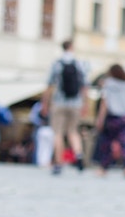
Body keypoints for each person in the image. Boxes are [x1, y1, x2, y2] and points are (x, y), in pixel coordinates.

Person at [42, 39, 87, 174]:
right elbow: (84, 86)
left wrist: (45, 104)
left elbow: (49, 85)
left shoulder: (57, 63)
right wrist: (84, 104)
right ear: (72, 47)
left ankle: (58, 162)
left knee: (58, 133)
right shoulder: (79, 63)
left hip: (59, 102)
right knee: (73, 131)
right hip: (75, 103)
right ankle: (78, 154)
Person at [93, 63, 125, 177]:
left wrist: (100, 119)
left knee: (106, 143)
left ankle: (104, 168)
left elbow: (104, 103)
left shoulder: (108, 83)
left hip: (113, 117)